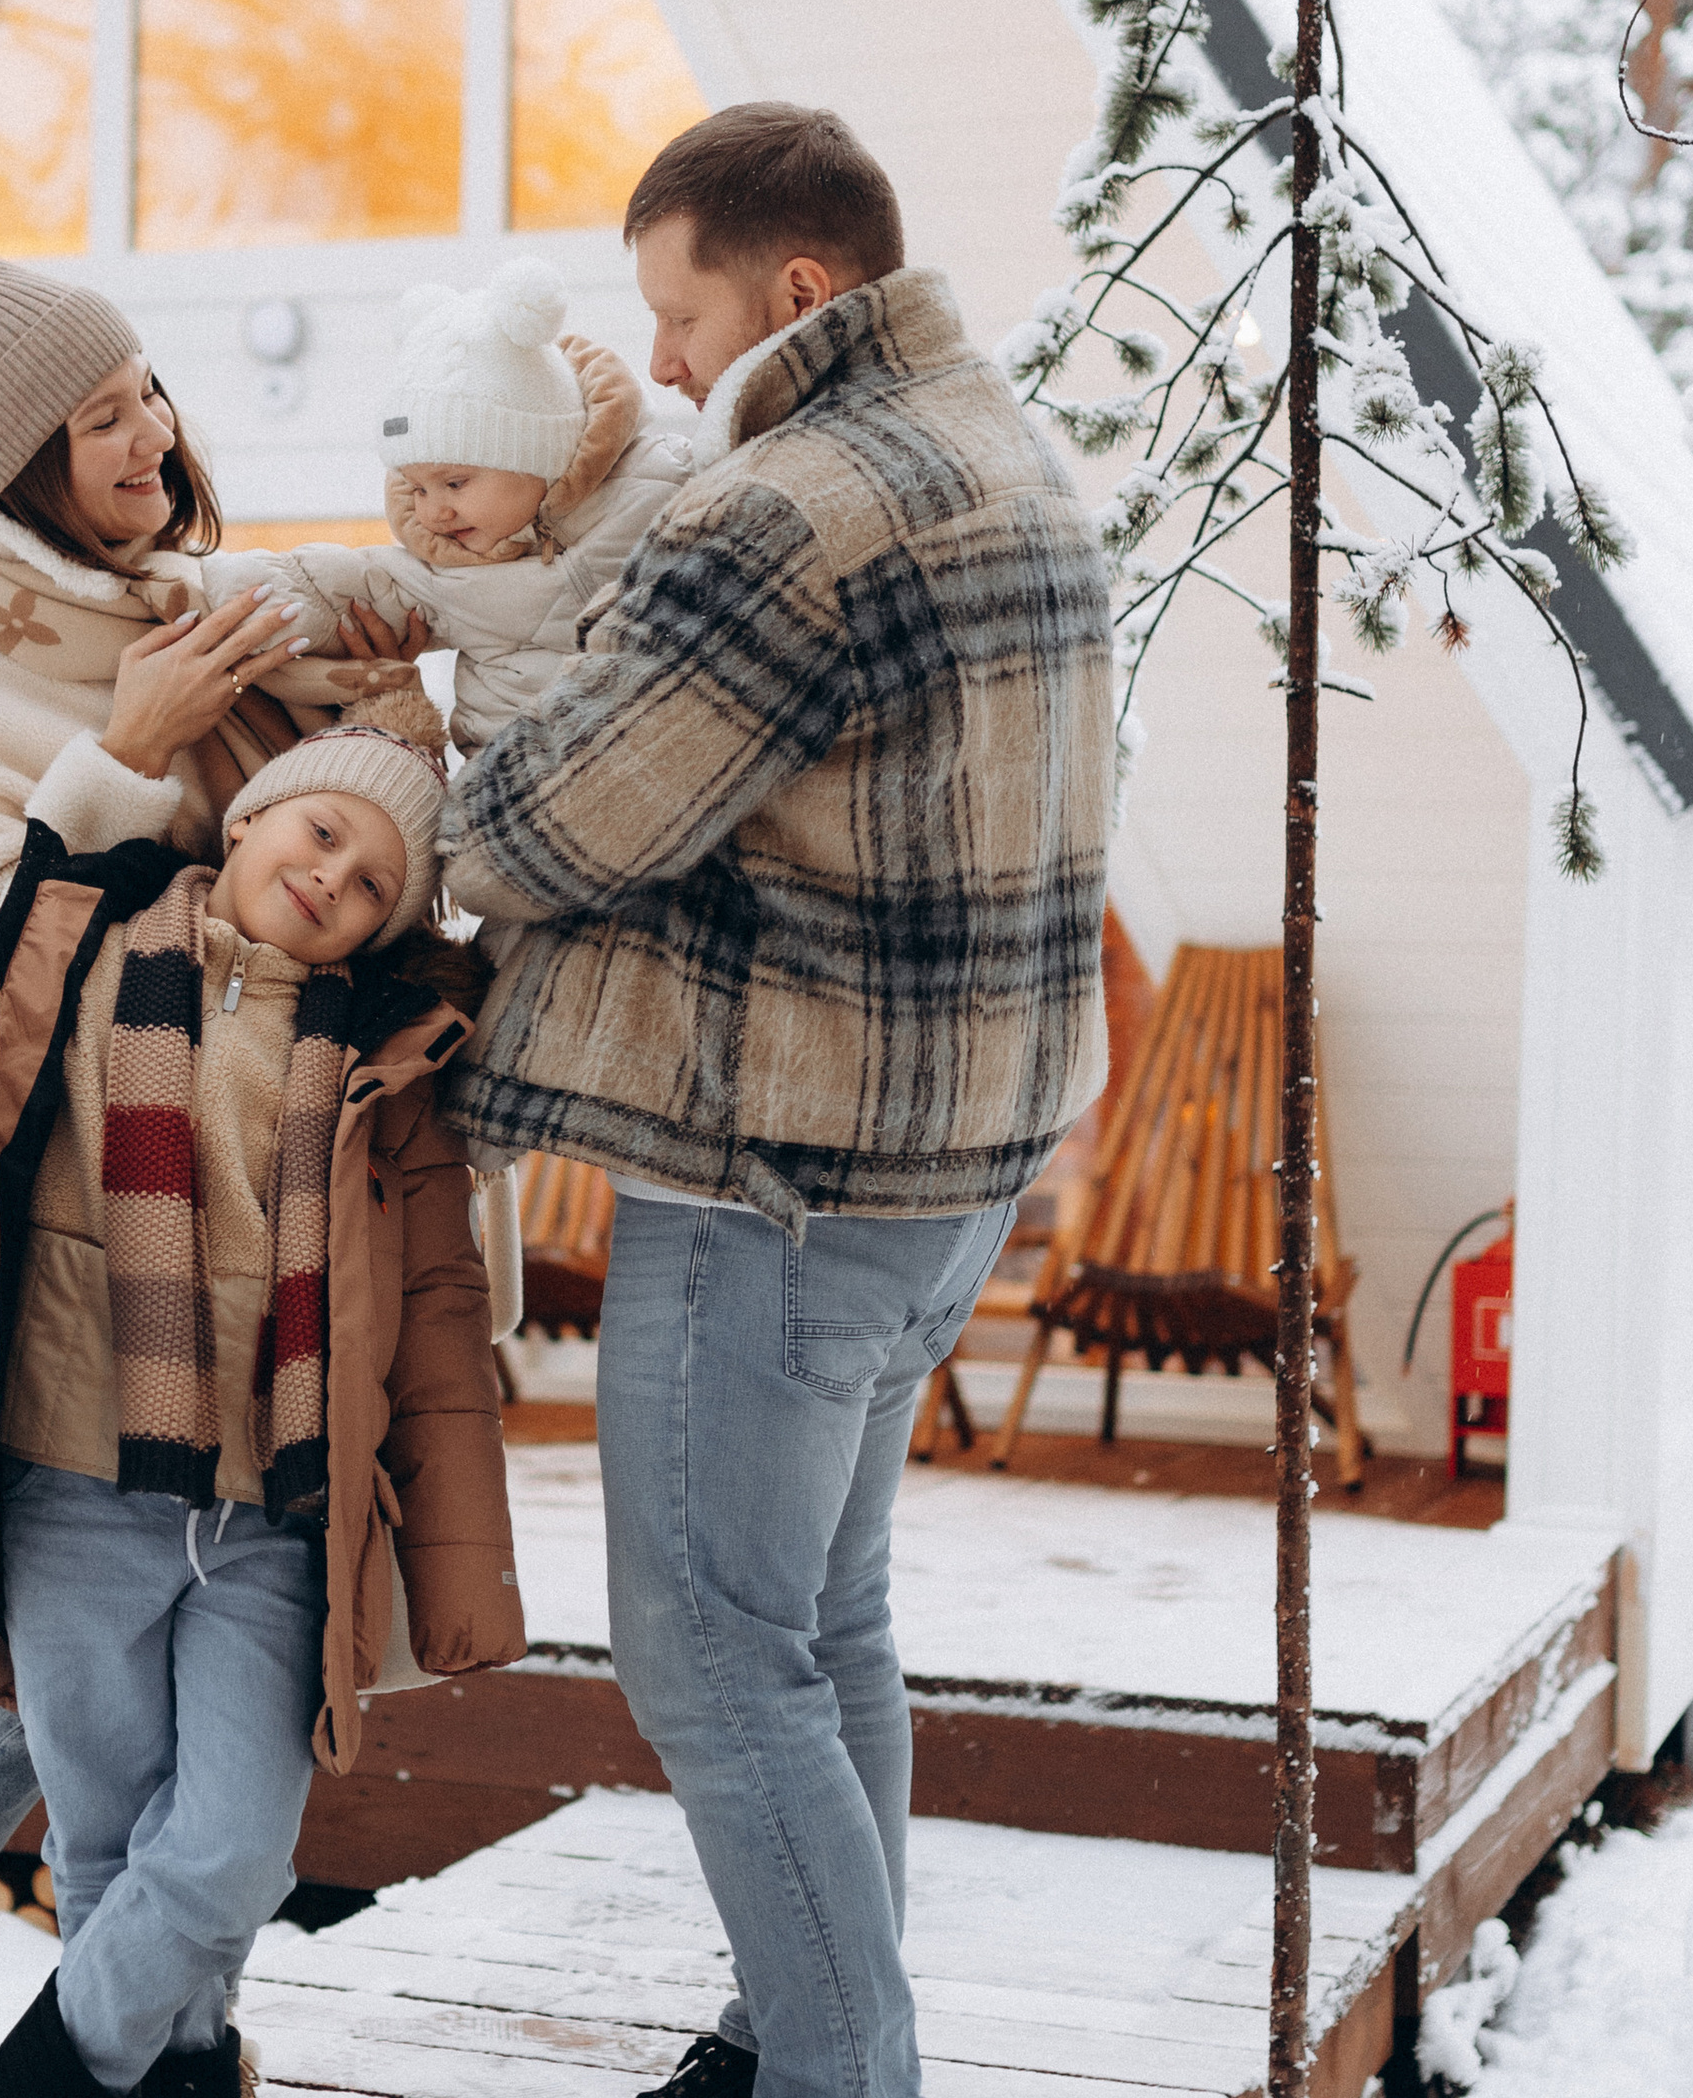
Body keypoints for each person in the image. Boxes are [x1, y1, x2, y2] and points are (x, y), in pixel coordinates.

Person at [437, 102, 1115, 2098]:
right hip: (948, 1170)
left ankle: (839, 2068)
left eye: (673, 311)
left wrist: (387, 788)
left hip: (778, 1174)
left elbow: (560, 818)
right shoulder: (1005, 452)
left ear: (791, 290)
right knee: (819, 1626)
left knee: (713, 1654)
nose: (653, 363)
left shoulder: (788, 504)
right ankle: (791, 2030)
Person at [0, 689, 524, 2098]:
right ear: (252, 816)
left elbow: (441, 1332)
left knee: (231, 1853)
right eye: (321, 831)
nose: (332, 878)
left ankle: (30, 2084)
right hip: (74, 1488)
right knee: (104, 1845)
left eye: (375, 883)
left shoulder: (393, 1076)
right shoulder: (59, 958)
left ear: (390, 930)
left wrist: (461, 1572)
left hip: (273, 1516)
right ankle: (178, 2075)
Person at [0, 221, 411, 1001]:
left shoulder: (194, 601)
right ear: (24, 475)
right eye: (105, 421)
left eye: (146, 390)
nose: (157, 431)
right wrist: (130, 757)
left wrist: (379, 727)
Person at [197, 254, 690, 755]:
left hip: (655, 751)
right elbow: (353, 584)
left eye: (455, 483)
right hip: (511, 775)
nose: (434, 513)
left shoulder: (657, 481)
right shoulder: (441, 573)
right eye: (417, 488)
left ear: (542, 456)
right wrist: (251, 594)